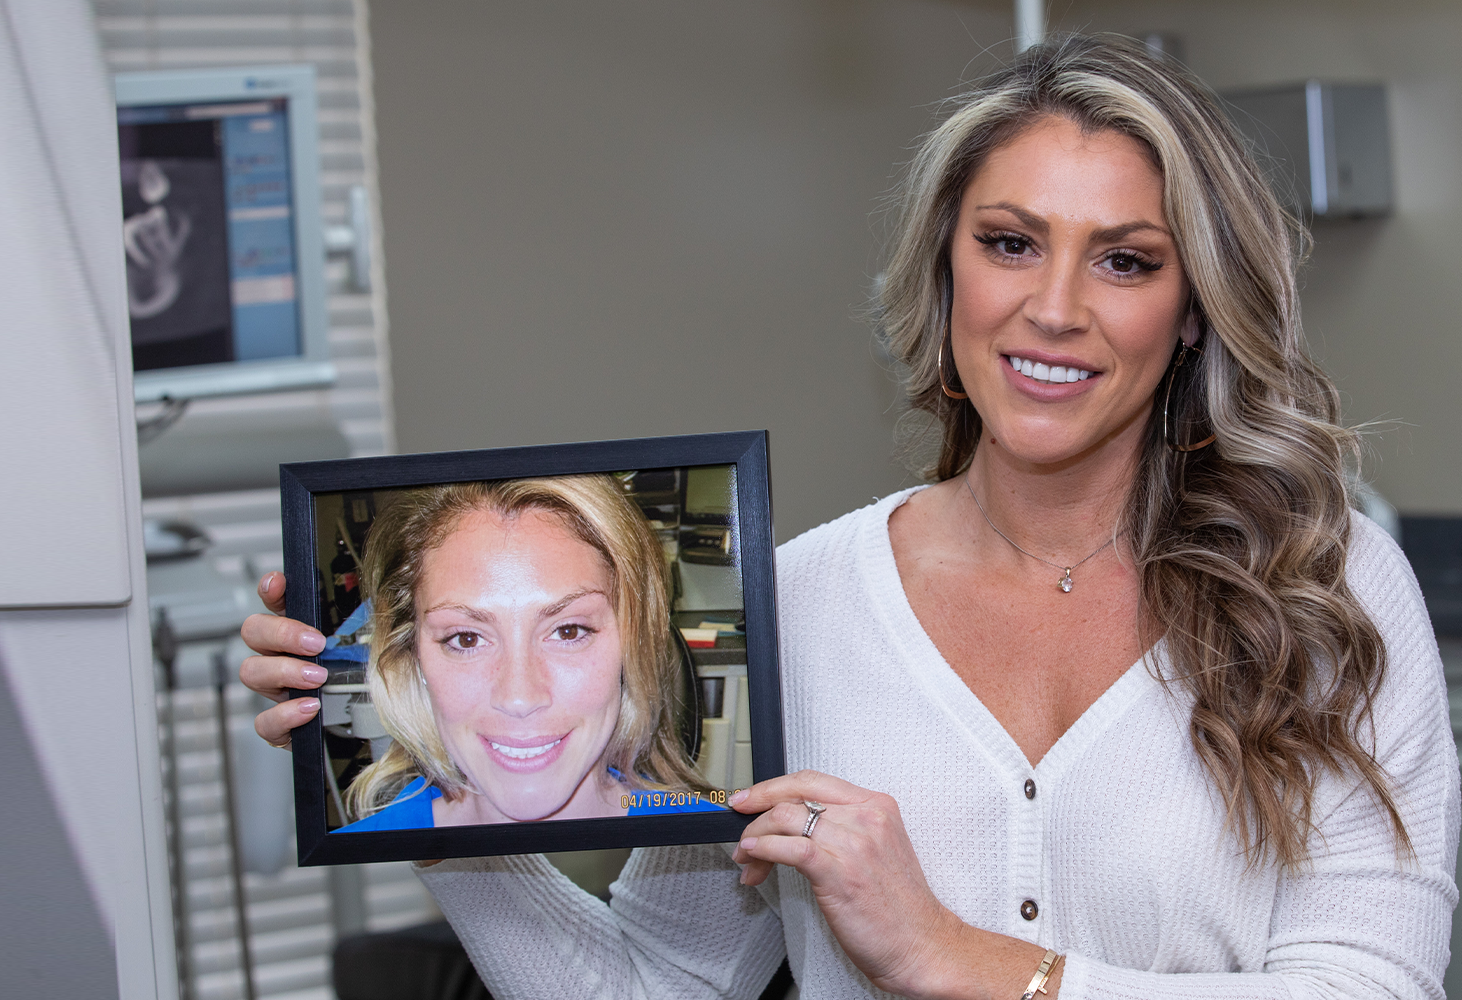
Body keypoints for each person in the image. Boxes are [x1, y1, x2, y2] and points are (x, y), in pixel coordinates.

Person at [241, 35, 1458, 999]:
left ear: (1191, 309)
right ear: (946, 268)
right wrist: (438, 798)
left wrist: (957, 960)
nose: (1051, 307)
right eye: (1008, 242)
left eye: (1124, 261)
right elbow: (652, 989)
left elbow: (1370, 984)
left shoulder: (1326, 593)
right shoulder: (800, 609)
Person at [330, 476, 723, 830]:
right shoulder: (364, 866)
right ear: (412, 656)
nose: (519, 697)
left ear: (632, 645)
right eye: (466, 639)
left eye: (569, 631)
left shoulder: (727, 849)